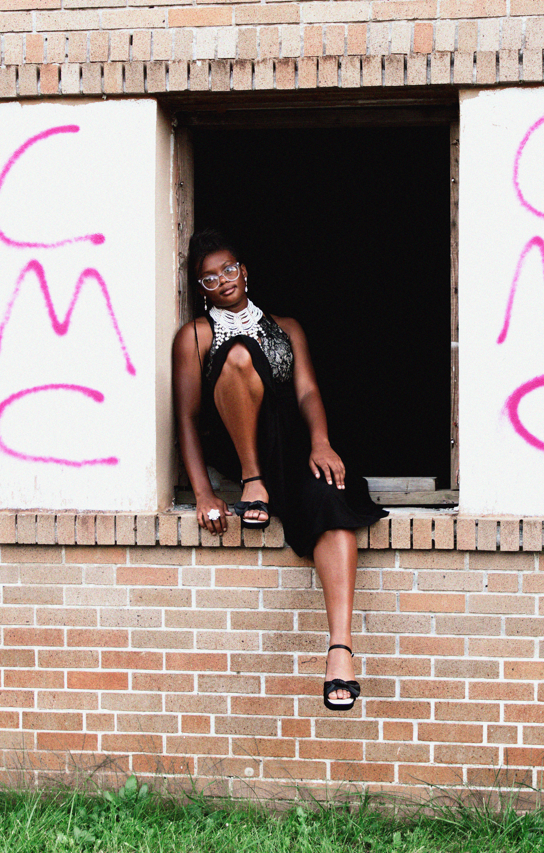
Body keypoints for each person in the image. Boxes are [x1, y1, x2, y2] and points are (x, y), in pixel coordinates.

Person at [172, 229, 388, 712]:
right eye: (210, 277)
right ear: (200, 288)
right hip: (245, 454)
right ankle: (255, 482)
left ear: (244, 271)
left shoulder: (288, 326)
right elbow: (185, 418)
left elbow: (308, 392)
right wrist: (205, 493)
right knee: (240, 354)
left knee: (333, 500)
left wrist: (320, 442)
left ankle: (339, 651)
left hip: (294, 447)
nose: (223, 280)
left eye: (229, 269)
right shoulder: (195, 336)